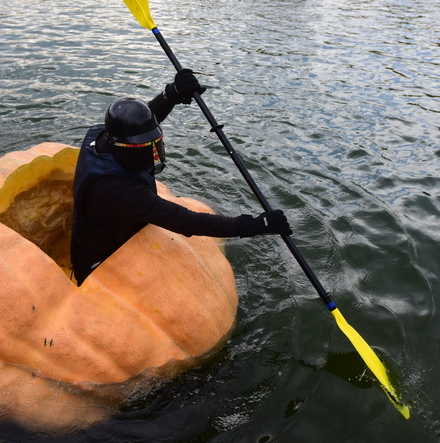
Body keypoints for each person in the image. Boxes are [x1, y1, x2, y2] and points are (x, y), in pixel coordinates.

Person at [71, 69, 292, 284]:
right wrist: (252, 225)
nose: (153, 153)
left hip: (117, 229)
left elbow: (144, 122)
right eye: (144, 148)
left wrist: (171, 94)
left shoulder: (99, 134)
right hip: (102, 262)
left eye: (154, 143)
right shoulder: (117, 190)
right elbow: (183, 220)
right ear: (123, 147)